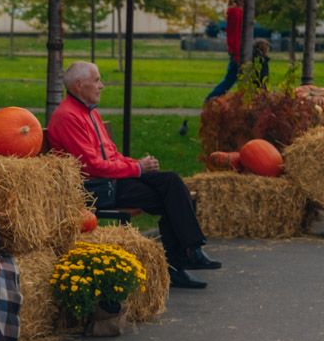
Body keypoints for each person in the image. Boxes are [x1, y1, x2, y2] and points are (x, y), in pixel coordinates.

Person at [47, 62, 219, 290]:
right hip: (96, 188)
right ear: (79, 85)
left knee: (171, 182)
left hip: (113, 179)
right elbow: (92, 167)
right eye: (97, 80)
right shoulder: (68, 117)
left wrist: (138, 165)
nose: (102, 86)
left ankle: (190, 252)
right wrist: (137, 169)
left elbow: (112, 154)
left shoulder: (90, 112)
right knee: (171, 199)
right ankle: (183, 260)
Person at [206, 0, 244, 101]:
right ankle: (212, 98)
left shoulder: (235, 12)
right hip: (236, 51)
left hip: (235, 50)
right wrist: (236, 52)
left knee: (232, 78)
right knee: (231, 78)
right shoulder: (237, 13)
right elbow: (235, 34)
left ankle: (214, 98)